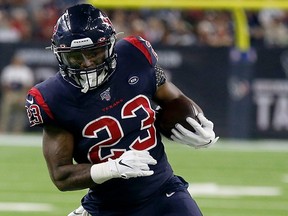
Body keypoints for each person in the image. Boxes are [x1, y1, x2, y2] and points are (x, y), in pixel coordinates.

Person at [25, 4, 218, 216]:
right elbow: (60, 175)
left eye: (94, 53)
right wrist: (112, 168)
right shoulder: (52, 97)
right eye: (75, 57)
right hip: (107, 207)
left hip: (163, 191)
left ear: (110, 45)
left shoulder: (135, 55)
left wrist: (197, 120)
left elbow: (174, 99)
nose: (87, 64)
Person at [1, 55, 34, 133]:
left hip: (21, 93)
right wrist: (8, 93)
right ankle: (2, 129)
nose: (18, 62)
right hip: (10, 92)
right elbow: (4, 83)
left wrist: (24, 95)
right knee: (6, 111)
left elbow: (29, 84)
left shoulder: (26, 70)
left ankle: (17, 130)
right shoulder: (8, 69)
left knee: (20, 113)